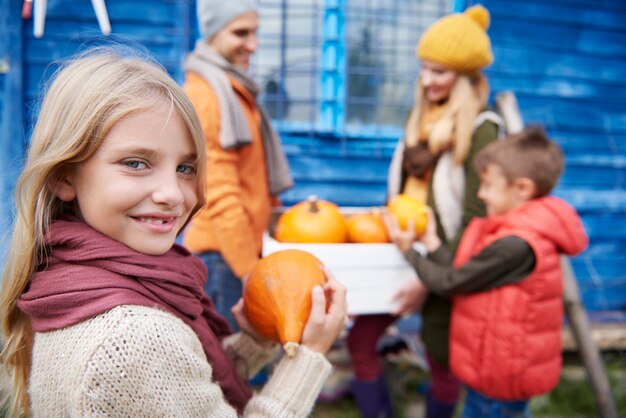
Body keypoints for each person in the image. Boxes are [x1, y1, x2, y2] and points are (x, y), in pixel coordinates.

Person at [0, 49, 347, 417]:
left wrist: (254, 341)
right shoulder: (135, 338)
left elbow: (176, 392)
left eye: (185, 167)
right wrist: (307, 360)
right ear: (63, 176)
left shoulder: (70, 282)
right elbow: (154, 370)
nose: (172, 194)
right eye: (135, 163)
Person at [346, 5, 504, 418]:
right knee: (361, 342)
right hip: (400, 252)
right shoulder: (419, 119)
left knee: (441, 360)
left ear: (466, 76)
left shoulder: (482, 128)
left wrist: (429, 279)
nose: (427, 80)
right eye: (424, 69)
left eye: (439, 71)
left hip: (446, 261)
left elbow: (477, 220)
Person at [385, 127, 588, 417]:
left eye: (488, 185)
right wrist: (431, 241)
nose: (480, 194)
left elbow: (450, 282)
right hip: (491, 374)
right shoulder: (509, 230)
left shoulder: (516, 244)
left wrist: (408, 250)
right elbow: (467, 272)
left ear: (522, 188)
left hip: (500, 380)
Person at [181, 0, 293, 331]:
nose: (253, 45)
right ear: (214, 34)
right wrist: (249, 270)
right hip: (224, 259)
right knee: (231, 364)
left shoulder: (234, 88)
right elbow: (219, 193)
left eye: (255, 32)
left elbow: (250, 175)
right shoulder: (208, 95)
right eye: (240, 33)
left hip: (239, 252)